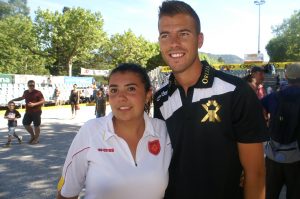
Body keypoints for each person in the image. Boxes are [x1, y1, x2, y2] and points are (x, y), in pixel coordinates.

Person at [153, 1, 268, 198]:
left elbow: (255, 174)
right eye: (165, 35)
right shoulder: (161, 98)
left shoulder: (236, 92)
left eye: (183, 33)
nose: (174, 43)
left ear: (199, 40)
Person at [56, 63, 172, 199]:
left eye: (131, 89)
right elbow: (67, 193)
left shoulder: (163, 132)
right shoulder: (91, 132)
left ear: (147, 95)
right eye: (114, 90)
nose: (121, 97)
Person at [261, 63, 300, 199]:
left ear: (287, 76)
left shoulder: (274, 96)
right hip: (297, 157)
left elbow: (259, 108)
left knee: (271, 192)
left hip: (273, 154)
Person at [10, 80, 45, 144]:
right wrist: (13, 100)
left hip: (36, 111)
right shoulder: (26, 92)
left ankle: (36, 139)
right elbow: (22, 97)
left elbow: (43, 101)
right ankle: (33, 136)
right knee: (25, 123)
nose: (31, 86)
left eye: (33, 85)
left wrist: (34, 104)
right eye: (30, 85)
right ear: (27, 85)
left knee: (36, 125)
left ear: (34, 85)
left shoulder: (38, 92)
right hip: (28, 111)